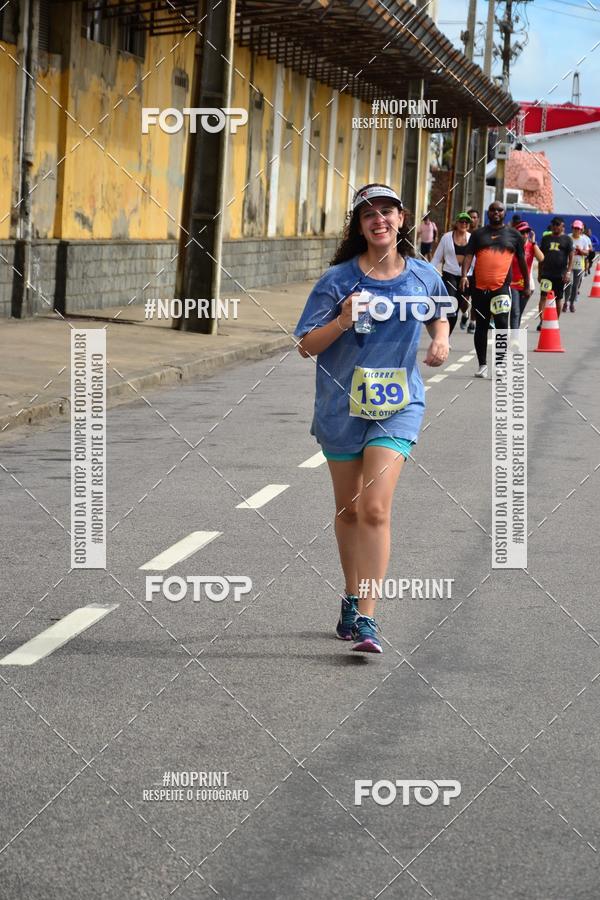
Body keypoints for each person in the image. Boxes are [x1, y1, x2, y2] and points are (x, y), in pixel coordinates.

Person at [294, 184, 450, 654]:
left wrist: (440, 339)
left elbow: (440, 312)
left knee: (376, 507)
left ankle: (367, 618)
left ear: (402, 219)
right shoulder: (339, 281)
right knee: (350, 510)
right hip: (341, 408)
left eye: (387, 211)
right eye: (368, 215)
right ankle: (352, 593)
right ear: (359, 226)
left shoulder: (422, 275)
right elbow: (305, 345)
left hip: (398, 407)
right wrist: (341, 320)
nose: (378, 220)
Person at [460, 201, 530, 378]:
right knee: (481, 327)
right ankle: (482, 365)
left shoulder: (514, 235)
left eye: (500, 210)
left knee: (501, 325)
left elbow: (522, 262)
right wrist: (463, 276)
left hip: (501, 288)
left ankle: (499, 365)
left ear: (504, 213)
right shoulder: (478, 234)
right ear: (488, 213)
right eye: (492, 210)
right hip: (479, 288)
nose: (496, 212)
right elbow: (468, 255)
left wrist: (527, 285)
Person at [431, 212, 474, 334]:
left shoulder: (472, 238)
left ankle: (464, 313)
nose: (464, 224)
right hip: (450, 274)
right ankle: (445, 336)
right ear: (456, 223)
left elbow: (475, 260)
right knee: (451, 305)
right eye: (461, 221)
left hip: (467, 276)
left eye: (466, 222)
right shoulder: (447, 237)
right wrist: (427, 271)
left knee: (462, 304)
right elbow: (436, 258)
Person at [538, 217, 574, 329]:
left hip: (560, 275)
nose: (555, 226)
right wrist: (539, 273)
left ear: (563, 226)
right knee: (543, 297)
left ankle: (555, 321)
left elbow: (571, 257)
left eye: (557, 224)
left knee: (558, 299)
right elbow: (541, 257)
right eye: (553, 224)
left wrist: (568, 272)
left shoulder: (567, 239)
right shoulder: (546, 238)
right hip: (546, 274)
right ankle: (542, 321)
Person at [510, 221, 544, 328]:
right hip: (512, 284)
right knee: (515, 311)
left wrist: (534, 243)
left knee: (518, 312)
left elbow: (541, 258)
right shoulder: (511, 246)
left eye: (527, 232)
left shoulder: (531, 246)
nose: (525, 235)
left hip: (526, 285)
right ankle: (514, 336)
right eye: (522, 232)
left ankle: (515, 333)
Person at [564, 220, 591, 312]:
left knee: (575, 286)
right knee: (568, 284)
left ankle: (571, 304)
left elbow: (587, 252)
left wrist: (580, 250)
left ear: (581, 230)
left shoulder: (584, 239)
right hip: (568, 265)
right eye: (575, 228)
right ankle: (565, 302)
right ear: (572, 228)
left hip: (579, 266)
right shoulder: (568, 237)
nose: (576, 230)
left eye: (578, 229)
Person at [466, 209, 480, 333]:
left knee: (475, 300)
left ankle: (472, 322)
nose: (472, 220)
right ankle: (464, 313)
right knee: (464, 300)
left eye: (475, 217)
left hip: (477, 272)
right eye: (471, 217)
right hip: (464, 271)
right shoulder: (462, 232)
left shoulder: (482, 234)